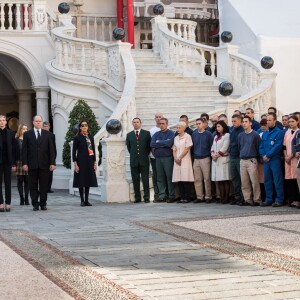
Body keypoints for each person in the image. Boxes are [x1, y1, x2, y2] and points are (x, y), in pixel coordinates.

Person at [22, 115, 56, 211]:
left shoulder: (48, 134)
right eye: (36, 121)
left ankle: (43, 203)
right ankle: (35, 204)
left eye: (40, 121)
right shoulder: (27, 134)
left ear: (42, 122)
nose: (38, 123)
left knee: (44, 185)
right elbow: (24, 150)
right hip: (32, 164)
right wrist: (25, 163)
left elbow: (51, 150)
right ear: (33, 122)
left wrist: (52, 163)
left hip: (44, 164)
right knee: (32, 185)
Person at [259, 112, 284, 207]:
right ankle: (268, 199)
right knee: (267, 180)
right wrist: (263, 155)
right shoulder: (265, 134)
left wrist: (268, 155)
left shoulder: (279, 132)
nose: (268, 122)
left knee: (277, 180)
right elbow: (261, 146)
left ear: (275, 121)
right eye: (267, 120)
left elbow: (277, 146)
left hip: (274, 159)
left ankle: (279, 199)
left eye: (270, 120)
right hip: (266, 160)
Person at [73, 120, 98, 207]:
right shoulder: (77, 138)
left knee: (88, 180)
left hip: (89, 161)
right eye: (82, 125)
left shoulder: (90, 137)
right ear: (80, 127)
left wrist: (95, 162)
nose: (84, 127)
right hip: (81, 161)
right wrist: (75, 164)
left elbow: (93, 150)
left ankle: (87, 200)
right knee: (81, 181)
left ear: (87, 127)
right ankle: (82, 200)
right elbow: (73, 152)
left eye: (86, 125)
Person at [126, 117, 151, 203]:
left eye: (137, 122)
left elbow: (149, 147)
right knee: (135, 179)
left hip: (144, 160)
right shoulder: (129, 135)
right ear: (132, 124)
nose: (136, 123)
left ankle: (146, 197)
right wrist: (135, 155)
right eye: (134, 122)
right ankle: (137, 197)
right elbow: (129, 148)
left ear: (140, 123)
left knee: (145, 179)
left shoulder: (146, 134)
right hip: (134, 161)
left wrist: (144, 155)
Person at [150, 117, 175, 203]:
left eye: (163, 124)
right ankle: (162, 195)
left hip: (168, 158)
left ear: (167, 124)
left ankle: (171, 195)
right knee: (160, 177)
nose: (161, 125)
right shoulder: (156, 134)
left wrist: (158, 142)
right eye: (160, 124)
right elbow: (152, 143)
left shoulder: (171, 133)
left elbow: (169, 143)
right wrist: (162, 142)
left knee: (169, 177)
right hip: (158, 158)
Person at [238, 116, 261, 206]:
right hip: (242, 160)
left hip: (252, 160)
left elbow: (258, 146)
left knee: (254, 181)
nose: (244, 123)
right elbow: (240, 147)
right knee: (244, 182)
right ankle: (247, 199)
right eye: (243, 122)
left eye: (246, 121)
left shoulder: (255, 135)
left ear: (250, 123)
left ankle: (257, 199)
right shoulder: (240, 135)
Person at [192, 117, 213, 203]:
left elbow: (211, 145)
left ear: (204, 124)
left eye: (199, 123)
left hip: (205, 158)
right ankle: (199, 196)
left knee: (206, 178)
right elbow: (193, 146)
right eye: (196, 124)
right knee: (197, 179)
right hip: (196, 158)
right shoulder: (194, 134)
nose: (198, 125)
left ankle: (208, 196)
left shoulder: (208, 134)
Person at [172, 121, 194, 203]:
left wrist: (180, 157)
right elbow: (174, 149)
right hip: (177, 160)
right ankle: (182, 197)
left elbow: (187, 148)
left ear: (184, 128)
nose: (178, 129)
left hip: (184, 160)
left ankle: (187, 197)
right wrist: (175, 158)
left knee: (185, 178)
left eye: (179, 127)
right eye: (177, 127)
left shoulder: (187, 136)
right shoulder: (175, 138)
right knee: (179, 179)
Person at [211, 120, 231, 204]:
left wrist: (216, 155)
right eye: (216, 127)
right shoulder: (216, 137)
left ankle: (226, 197)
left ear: (223, 127)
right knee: (219, 179)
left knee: (225, 179)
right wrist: (212, 153)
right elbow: (212, 146)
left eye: (219, 126)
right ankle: (221, 197)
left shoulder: (227, 135)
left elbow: (225, 147)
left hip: (223, 159)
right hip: (216, 160)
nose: (217, 128)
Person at [0, 115, 16, 212]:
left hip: (8, 162)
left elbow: (14, 149)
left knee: (8, 183)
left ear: (6, 122)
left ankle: (8, 203)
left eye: (3, 120)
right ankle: (1, 203)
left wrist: (13, 163)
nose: (1, 122)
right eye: (0, 120)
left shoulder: (10, 134)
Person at [283, 115, 300, 207]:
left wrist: (290, 157)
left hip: (295, 158)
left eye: (293, 121)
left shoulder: (298, 132)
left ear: (297, 122)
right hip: (287, 160)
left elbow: (296, 146)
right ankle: (292, 199)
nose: (290, 123)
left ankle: (297, 199)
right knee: (289, 179)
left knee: (296, 179)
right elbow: (284, 146)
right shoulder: (287, 132)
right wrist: (286, 157)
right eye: (289, 122)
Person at [229, 114, 244, 205]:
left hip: (239, 157)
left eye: (235, 121)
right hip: (232, 157)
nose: (233, 123)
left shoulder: (242, 131)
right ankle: (237, 196)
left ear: (240, 121)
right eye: (232, 121)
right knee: (234, 179)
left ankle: (243, 197)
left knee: (242, 179)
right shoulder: (232, 131)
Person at [14, 123, 29, 206]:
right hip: (19, 162)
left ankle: (26, 198)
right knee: (20, 181)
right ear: (20, 130)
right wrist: (13, 164)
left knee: (27, 181)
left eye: (26, 129)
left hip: (27, 162)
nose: (25, 130)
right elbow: (13, 152)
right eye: (23, 129)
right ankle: (21, 198)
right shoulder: (16, 140)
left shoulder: (30, 139)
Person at [149, 112, 163, 201]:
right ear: (154, 119)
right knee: (156, 175)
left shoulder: (167, 129)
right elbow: (150, 144)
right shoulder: (151, 130)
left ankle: (164, 193)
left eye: (160, 117)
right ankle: (156, 194)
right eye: (157, 117)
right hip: (154, 157)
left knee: (163, 175)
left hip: (164, 156)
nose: (158, 118)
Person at [43, 121, 57, 193]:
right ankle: (43, 187)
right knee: (43, 174)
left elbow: (54, 147)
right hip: (42, 157)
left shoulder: (52, 135)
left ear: (49, 127)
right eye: (44, 126)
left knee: (50, 174)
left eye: (47, 126)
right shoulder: (40, 134)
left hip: (50, 157)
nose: (46, 128)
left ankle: (49, 188)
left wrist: (54, 157)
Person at [258, 119, 268, 201]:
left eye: (265, 125)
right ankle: (263, 196)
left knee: (267, 178)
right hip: (260, 159)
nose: (263, 127)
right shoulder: (259, 134)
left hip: (268, 158)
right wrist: (261, 156)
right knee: (261, 179)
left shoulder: (269, 134)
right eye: (261, 125)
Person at [292, 128, 300, 209]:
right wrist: (295, 152)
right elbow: (293, 143)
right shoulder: (298, 132)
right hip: (299, 160)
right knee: (299, 180)